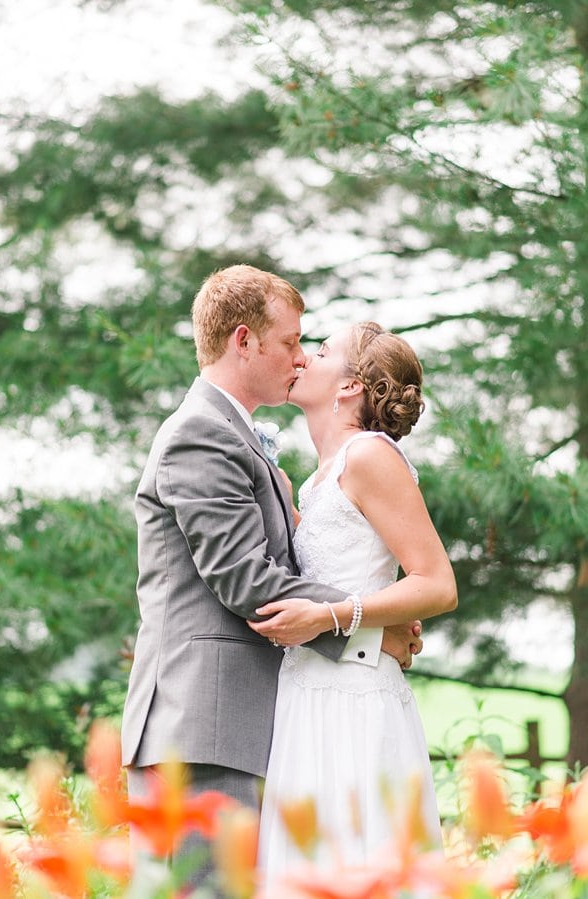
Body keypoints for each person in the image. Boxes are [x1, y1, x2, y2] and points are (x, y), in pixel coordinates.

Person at [120, 266, 422, 890]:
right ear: (243, 341)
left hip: (250, 725)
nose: (298, 357)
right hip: (201, 726)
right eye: (289, 342)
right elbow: (247, 582)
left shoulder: (245, 440)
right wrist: (371, 629)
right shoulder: (201, 433)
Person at [249, 322, 458, 883]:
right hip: (306, 696)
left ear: (348, 387)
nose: (302, 359)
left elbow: (437, 582)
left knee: (358, 864)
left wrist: (334, 616)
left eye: (319, 352)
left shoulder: (369, 456)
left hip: (354, 702)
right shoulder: (318, 480)